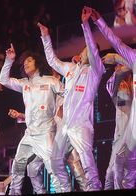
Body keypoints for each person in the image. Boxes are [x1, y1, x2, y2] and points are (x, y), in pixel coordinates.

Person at [38, 6, 104, 191]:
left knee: (86, 159)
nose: (87, 52)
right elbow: (52, 61)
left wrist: (85, 25)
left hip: (81, 124)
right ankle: (65, 189)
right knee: (56, 160)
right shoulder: (70, 68)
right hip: (65, 124)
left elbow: (92, 46)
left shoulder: (95, 72)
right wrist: (46, 37)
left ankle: (94, 188)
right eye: (85, 50)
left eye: (91, 51)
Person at [0, 44, 64, 194]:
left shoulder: (51, 81)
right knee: (19, 167)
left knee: (53, 169)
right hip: (29, 135)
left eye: (29, 60)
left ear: (37, 62)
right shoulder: (24, 83)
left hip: (46, 132)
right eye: (23, 63)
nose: (25, 64)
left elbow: (68, 96)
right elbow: (3, 80)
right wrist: (9, 60)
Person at [90, 7, 136, 189]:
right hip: (124, 132)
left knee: (124, 166)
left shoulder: (129, 68)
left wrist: (118, 59)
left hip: (129, 131)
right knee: (116, 167)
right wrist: (99, 20)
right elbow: (115, 42)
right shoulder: (120, 76)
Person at [102, 53, 136, 189]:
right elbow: (120, 74)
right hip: (119, 137)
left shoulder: (133, 84)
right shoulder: (114, 86)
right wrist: (120, 59)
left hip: (133, 136)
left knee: (127, 174)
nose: (119, 68)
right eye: (117, 66)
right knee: (110, 174)